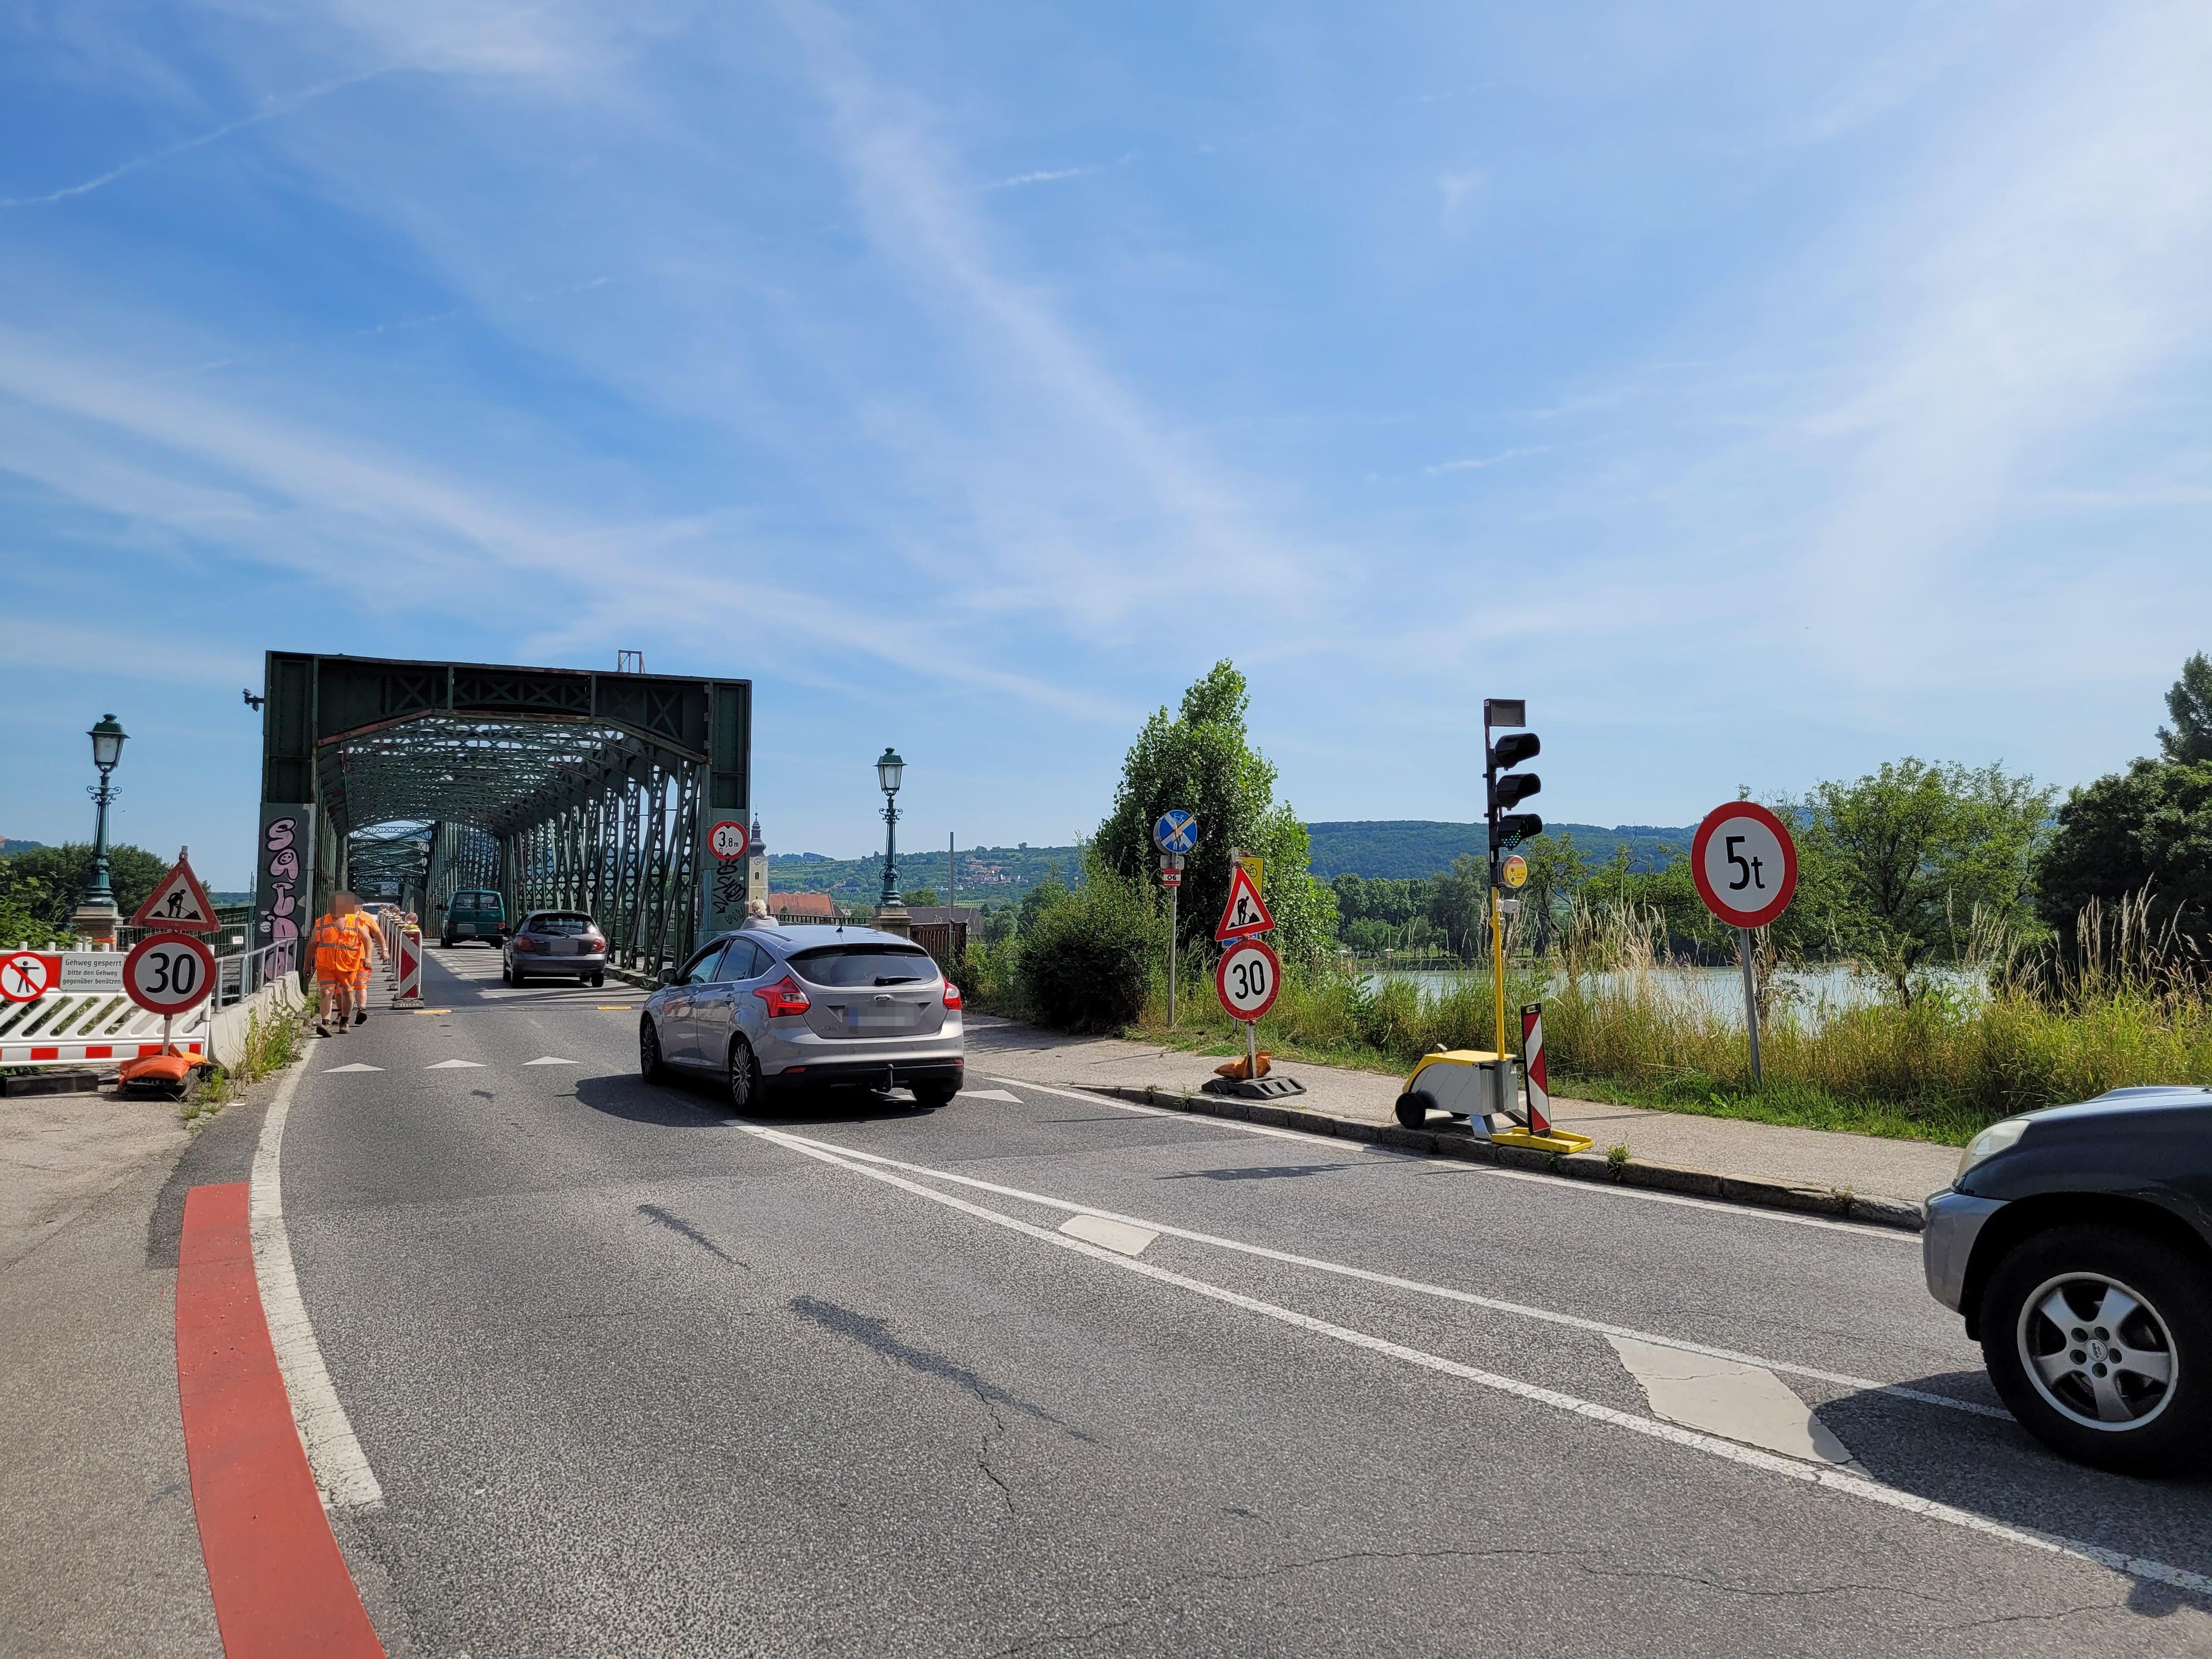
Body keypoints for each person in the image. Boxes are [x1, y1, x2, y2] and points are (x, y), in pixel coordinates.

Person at [310, 900, 366, 1036]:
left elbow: (368, 940)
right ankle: (326, 1023)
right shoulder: (321, 922)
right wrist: (307, 965)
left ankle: (345, 1020)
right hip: (326, 964)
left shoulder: (356, 921)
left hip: (348, 964)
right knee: (326, 992)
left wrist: (370, 957)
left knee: (346, 992)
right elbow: (312, 944)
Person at [340, 893, 387, 1027]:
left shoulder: (367, 917)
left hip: (361, 958)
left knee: (361, 984)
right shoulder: (341, 917)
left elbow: (376, 934)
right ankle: (341, 1013)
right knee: (342, 989)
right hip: (343, 959)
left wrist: (384, 950)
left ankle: (362, 1010)